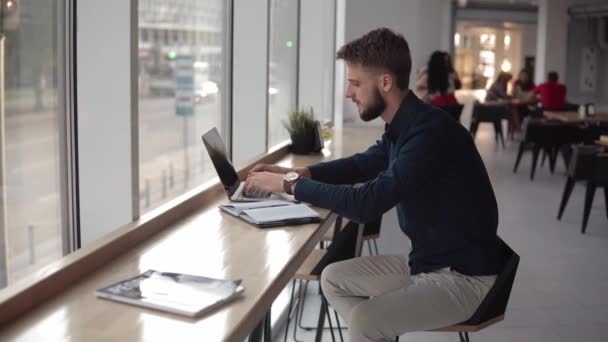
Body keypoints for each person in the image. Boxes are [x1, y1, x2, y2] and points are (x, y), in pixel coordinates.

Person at [245, 28, 501, 342]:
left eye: (354, 83)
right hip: (429, 262)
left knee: (367, 321)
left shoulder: (429, 134)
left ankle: (372, 332)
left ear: (385, 82)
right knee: (333, 279)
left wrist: (288, 184)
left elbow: (366, 204)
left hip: (465, 278)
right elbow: (362, 163)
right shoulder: (406, 125)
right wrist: (302, 172)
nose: (347, 93)